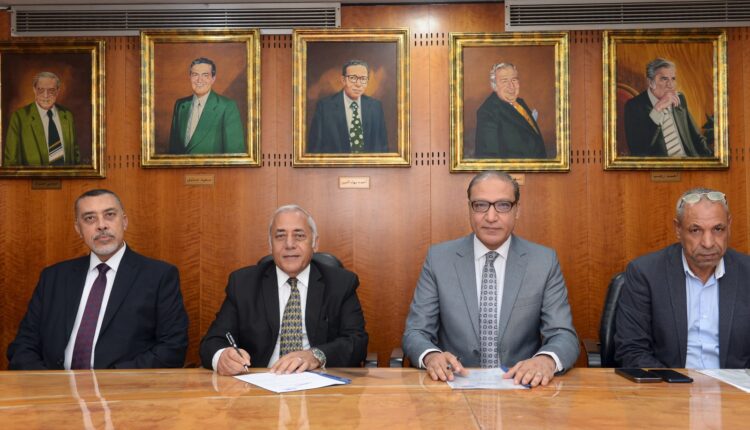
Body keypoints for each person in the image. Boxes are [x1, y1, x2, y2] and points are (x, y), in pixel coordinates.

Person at [402, 171, 579, 387]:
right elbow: (416, 332)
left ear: (517, 210)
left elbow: (563, 335)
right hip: (453, 389)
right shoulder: (439, 259)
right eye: (481, 205)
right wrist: (431, 356)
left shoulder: (543, 261)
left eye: (503, 205)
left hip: (523, 389)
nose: (491, 217)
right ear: (469, 209)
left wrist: (546, 360)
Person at [7, 189, 189, 370]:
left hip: (124, 386)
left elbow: (172, 349)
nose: (101, 225)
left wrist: (109, 381)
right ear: (78, 229)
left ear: (124, 221)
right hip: (52, 384)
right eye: (90, 218)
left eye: (109, 215)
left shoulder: (159, 276)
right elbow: (24, 345)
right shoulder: (53, 277)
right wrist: (49, 382)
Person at [199, 204, 368, 375]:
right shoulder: (243, 284)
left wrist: (316, 356)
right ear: (270, 244)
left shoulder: (340, 283)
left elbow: (357, 343)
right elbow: (213, 341)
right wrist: (222, 356)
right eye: (280, 236)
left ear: (315, 243)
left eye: (299, 235)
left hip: (320, 381)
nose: (289, 244)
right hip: (259, 381)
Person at [614, 188, 750, 369]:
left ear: (729, 225)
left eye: (718, 229)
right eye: (695, 230)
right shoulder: (646, 273)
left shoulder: (746, 272)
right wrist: (675, 383)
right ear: (678, 229)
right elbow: (631, 350)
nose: (708, 243)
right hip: (669, 383)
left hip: (735, 385)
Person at [624, 58, 712, 157]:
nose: (670, 85)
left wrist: (709, 160)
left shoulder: (679, 98)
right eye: (664, 79)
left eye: (673, 79)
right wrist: (658, 108)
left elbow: (697, 137)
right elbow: (639, 150)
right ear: (650, 82)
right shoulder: (634, 106)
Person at [168, 57, 245, 154]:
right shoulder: (180, 105)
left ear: (213, 79)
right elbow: (173, 151)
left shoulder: (227, 107)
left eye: (205, 75)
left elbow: (235, 154)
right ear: (190, 77)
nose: (199, 80)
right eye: (195, 74)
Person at [307, 59, 387, 153]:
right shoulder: (324, 107)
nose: (358, 84)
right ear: (343, 80)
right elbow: (314, 150)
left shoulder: (375, 107)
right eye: (353, 78)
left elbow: (382, 149)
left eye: (363, 79)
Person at [3, 71, 79, 166]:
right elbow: (10, 162)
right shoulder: (19, 118)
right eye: (41, 90)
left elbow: (75, 156)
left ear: (57, 91)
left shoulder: (67, 116)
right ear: (34, 90)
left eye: (51, 90)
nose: (46, 95)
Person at [475, 63, 546, 159]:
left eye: (514, 80)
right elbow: (488, 157)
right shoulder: (488, 112)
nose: (511, 86)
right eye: (504, 81)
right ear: (494, 86)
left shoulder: (520, 102)